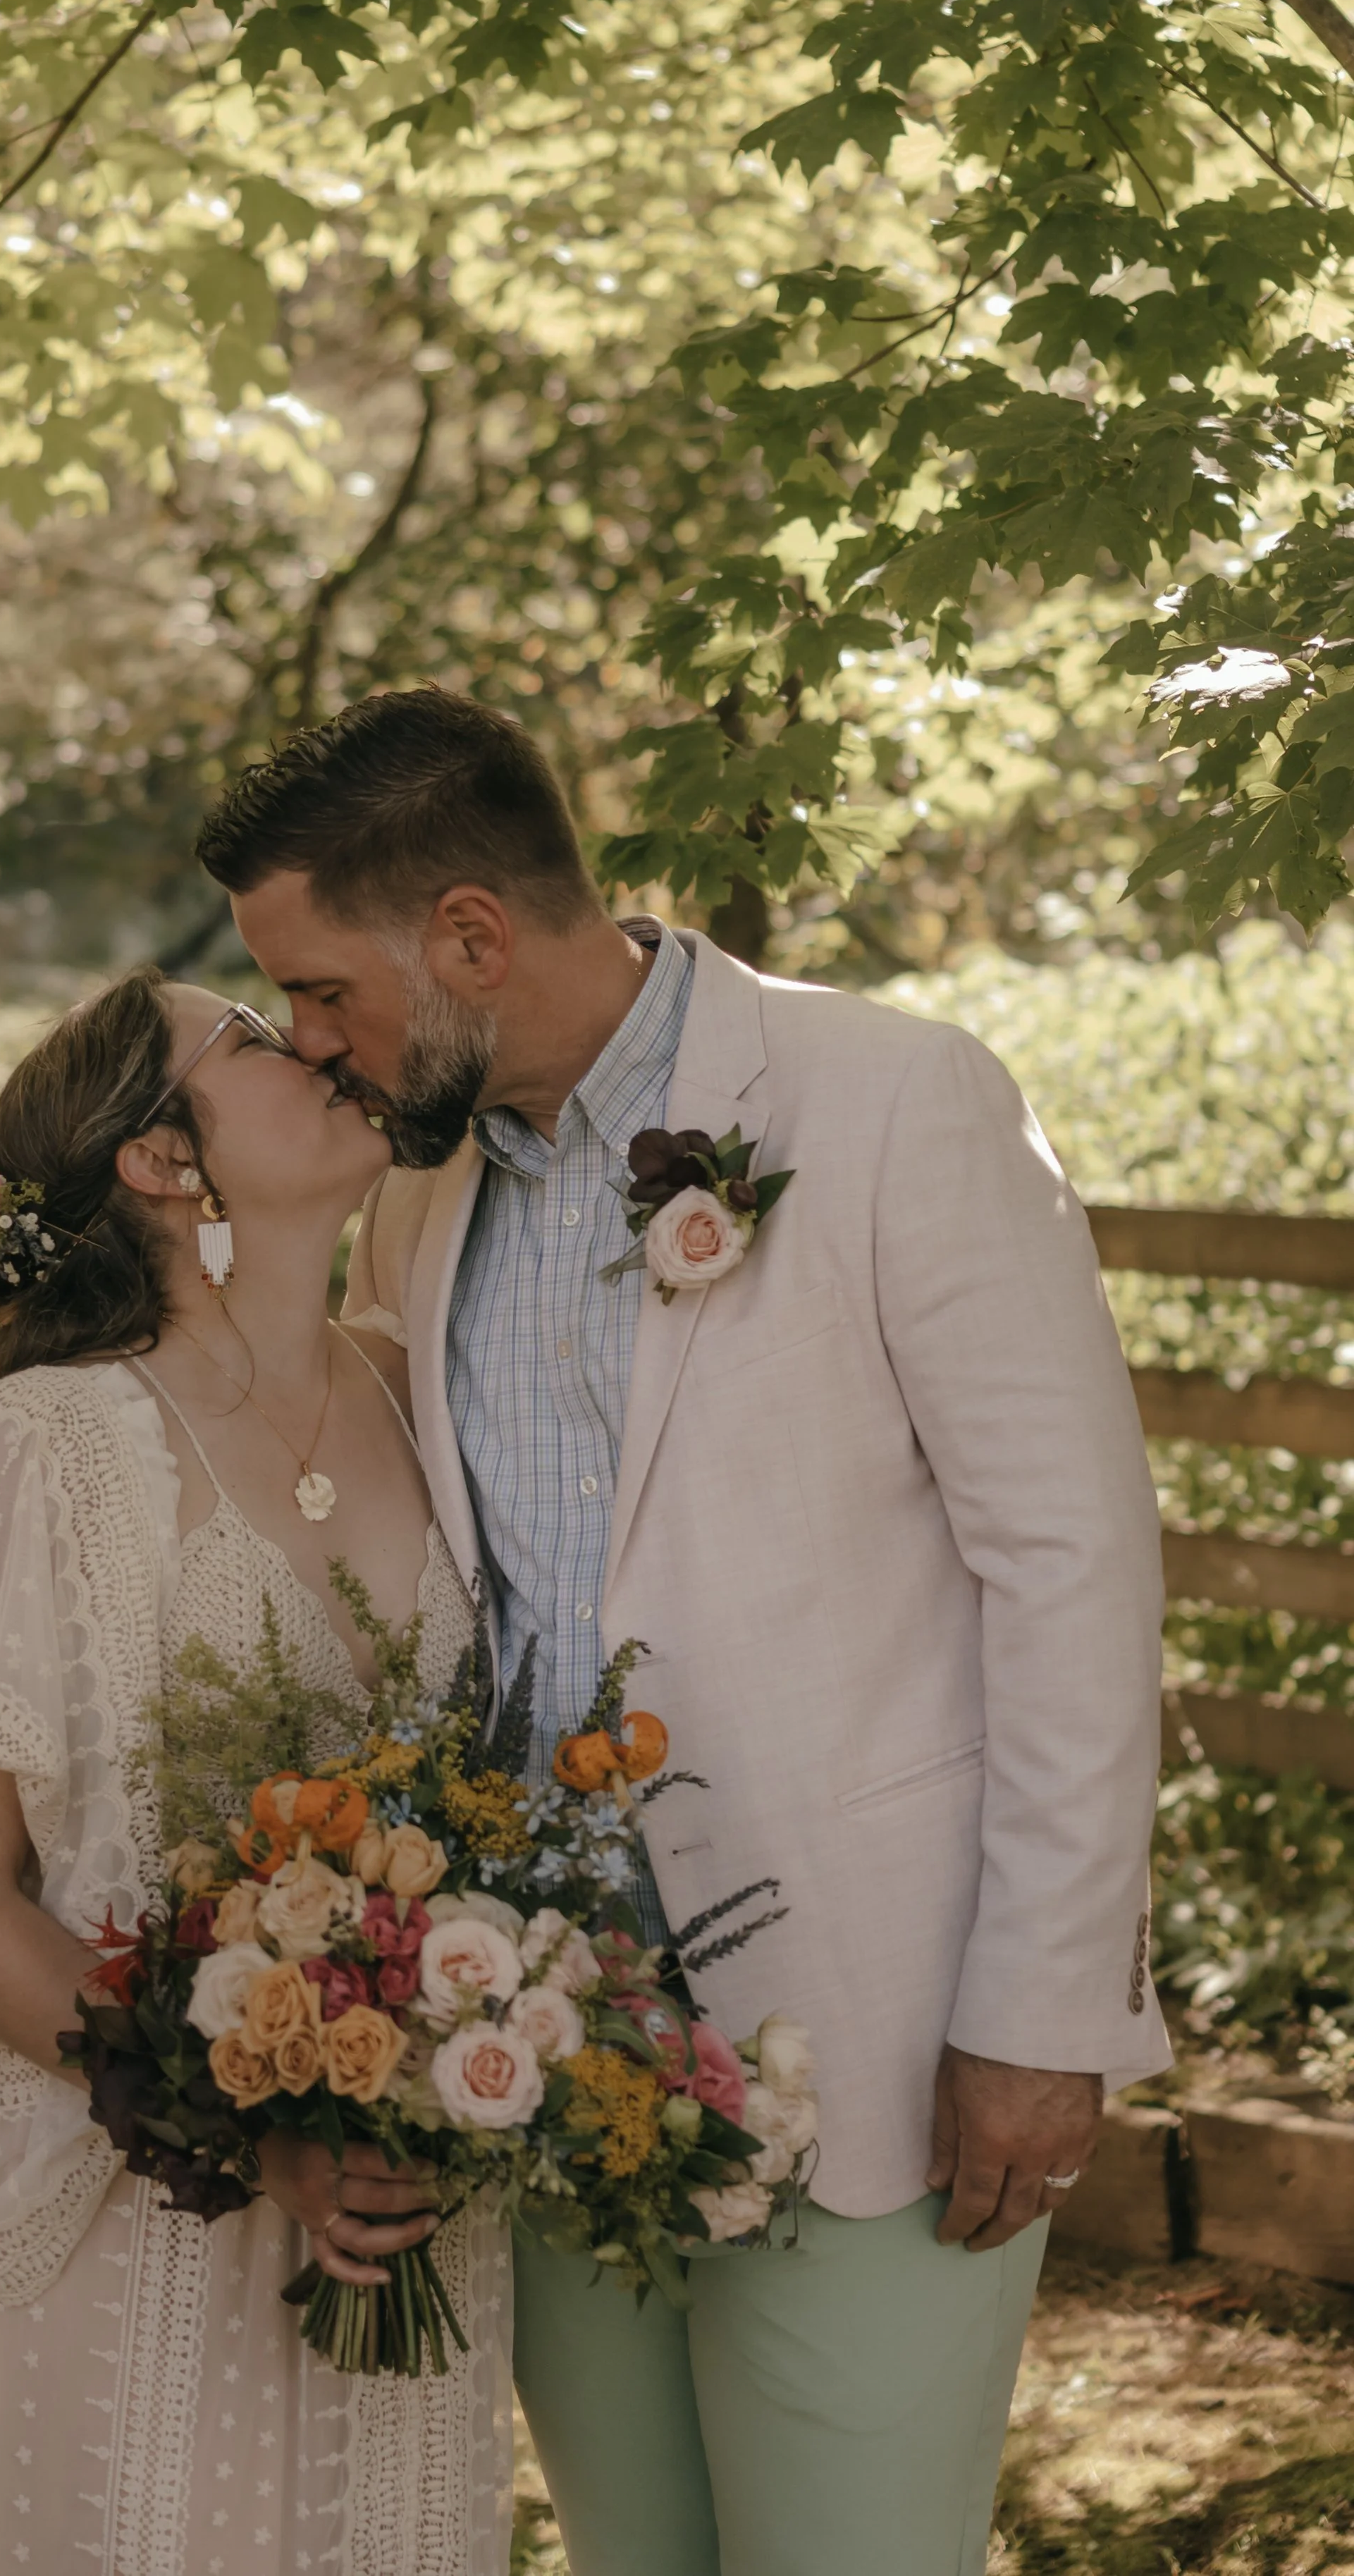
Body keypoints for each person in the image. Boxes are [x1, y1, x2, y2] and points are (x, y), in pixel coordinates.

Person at [197, 685, 1173, 2576]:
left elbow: (1071, 1561)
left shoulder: (892, 1097)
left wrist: (1040, 2005)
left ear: (469, 934)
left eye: (324, 990)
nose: (310, 1043)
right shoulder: (426, 1185)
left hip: (874, 2025)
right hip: (543, 2045)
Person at [0, 964, 512, 2576]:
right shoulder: (41, 1449)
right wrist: (254, 2135)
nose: (316, 1044)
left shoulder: (421, 1396)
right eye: (256, 1040)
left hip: (415, 2205)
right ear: (157, 1158)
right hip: (149, 2217)